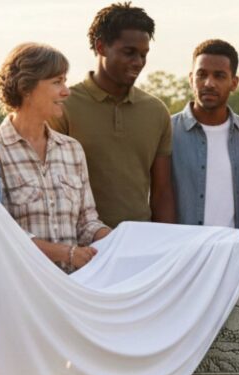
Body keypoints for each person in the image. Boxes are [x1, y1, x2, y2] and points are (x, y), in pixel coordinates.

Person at [49, 2, 174, 227]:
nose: (138, 62)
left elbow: (162, 192)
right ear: (101, 47)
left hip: (139, 244)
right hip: (80, 247)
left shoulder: (156, 111)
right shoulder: (63, 106)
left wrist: (168, 246)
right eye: (129, 53)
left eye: (143, 55)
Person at [0, 43, 111, 273]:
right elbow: (0, 232)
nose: (66, 91)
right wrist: (67, 253)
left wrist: (116, 239)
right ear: (26, 87)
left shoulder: (71, 149)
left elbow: (87, 222)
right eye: (57, 82)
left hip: (72, 287)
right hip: (22, 291)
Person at [171, 39, 239, 228]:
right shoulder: (167, 131)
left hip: (234, 250)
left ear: (234, 82)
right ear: (191, 79)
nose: (209, 83)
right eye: (202, 75)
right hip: (183, 249)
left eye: (219, 76)